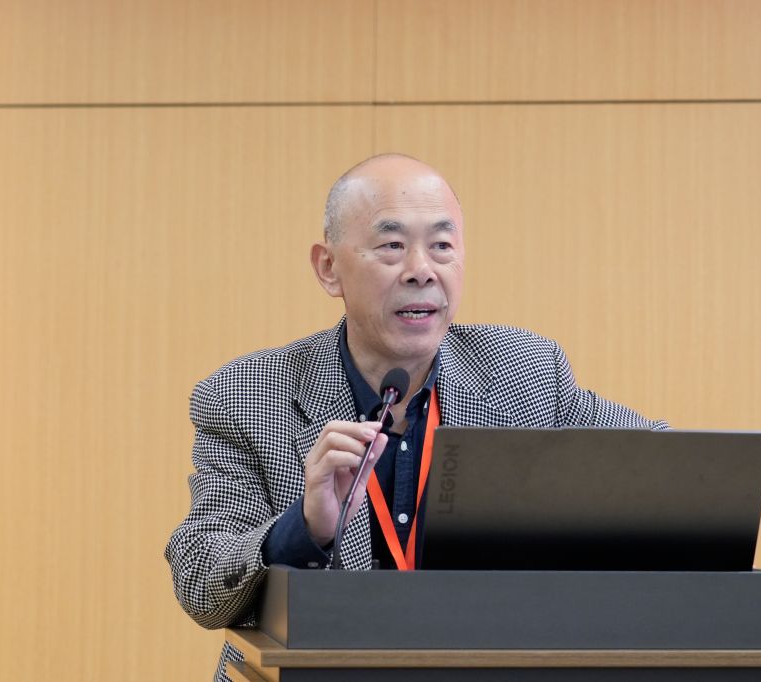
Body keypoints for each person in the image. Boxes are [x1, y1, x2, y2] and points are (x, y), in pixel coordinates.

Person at [165, 153, 668, 681]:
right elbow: (201, 582)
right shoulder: (247, 396)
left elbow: (664, 466)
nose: (421, 270)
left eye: (442, 246)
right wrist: (305, 528)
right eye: (392, 246)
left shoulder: (525, 372)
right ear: (329, 268)